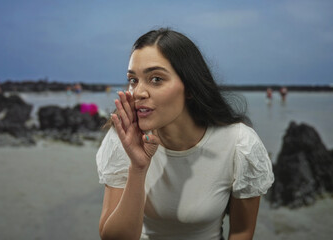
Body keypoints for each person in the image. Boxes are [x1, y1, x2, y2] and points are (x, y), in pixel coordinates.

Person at [96, 28, 274, 240]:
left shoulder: (240, 144)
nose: (138, 93)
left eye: (156, 79)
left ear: (190, 87)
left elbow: (241, 232)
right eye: (133, 80)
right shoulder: (124, 138)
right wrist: (138, 167)